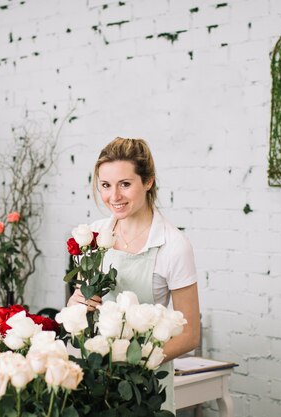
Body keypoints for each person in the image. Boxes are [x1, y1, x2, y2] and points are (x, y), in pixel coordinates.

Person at [67, 137, 200, 414]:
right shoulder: (94, 234)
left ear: (148, 181)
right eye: (105, 185)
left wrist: (135, 365)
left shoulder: (173, 246)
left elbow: (189, 335)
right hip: (96, 379)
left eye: (125, 184)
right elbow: (78, 308)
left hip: (145, 384)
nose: (114, 196)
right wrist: (76, 306)